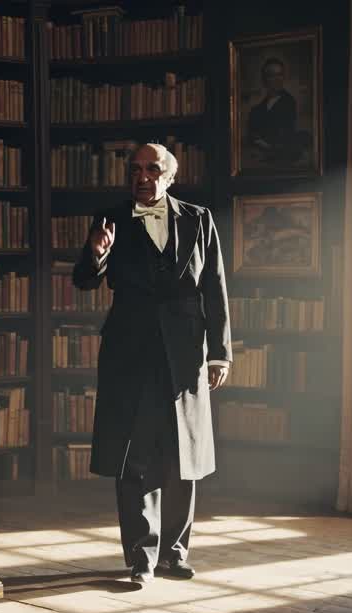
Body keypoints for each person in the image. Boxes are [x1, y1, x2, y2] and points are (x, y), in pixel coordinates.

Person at [71, 143, 232, 585]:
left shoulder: (199, 219)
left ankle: (175, 554)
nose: (142, 176)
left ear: (170, 175)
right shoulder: (112, 218)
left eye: (152, 168)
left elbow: (214, 289)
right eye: (135, 169)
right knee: (133, 458)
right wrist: (98, 253)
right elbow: (84, 279)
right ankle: (141, 559)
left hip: (184, 354)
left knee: (184, 456)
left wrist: (219, 352)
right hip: (130, 353)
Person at [247, 57, 303, 167]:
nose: (277, 79)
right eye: (272, 75)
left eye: (280, 74)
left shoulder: (289, 102)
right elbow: (252, 135)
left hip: (280, 160)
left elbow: (284, 136)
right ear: (264, 79)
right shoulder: (257, 110)